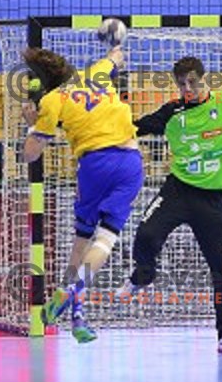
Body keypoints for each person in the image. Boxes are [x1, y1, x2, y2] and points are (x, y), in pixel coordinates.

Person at [122, 17, 222, 355]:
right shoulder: (173, 112)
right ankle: (143, 275)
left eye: (192, 83)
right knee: (146, 235)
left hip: (212, 202)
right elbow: (136, 127)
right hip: (177, 191)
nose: (187, 90)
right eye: (181, 85)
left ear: (204, 80)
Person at [21, 44, 143, 343]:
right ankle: (73, 301)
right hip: (129, 162)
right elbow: (117, 57)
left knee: (80, 242)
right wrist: (115, 44)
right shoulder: (97, 72)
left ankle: (73, 309)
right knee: (105, 239)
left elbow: (30, 155)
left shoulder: (51, 101)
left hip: (93, 166)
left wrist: (31, 125)